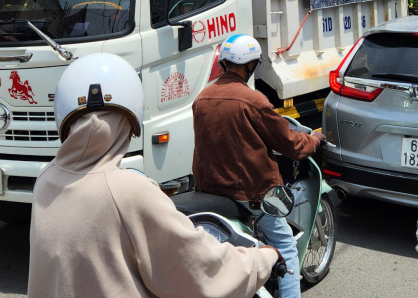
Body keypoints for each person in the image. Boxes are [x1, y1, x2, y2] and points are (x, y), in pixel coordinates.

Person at [29, 53, 281, 298]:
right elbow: (197, 268)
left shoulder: (45, 180)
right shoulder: (128, 190)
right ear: (129, 121)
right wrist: (262, 259)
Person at [192, 34, 324, 298]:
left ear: (225, 62)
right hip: (251, 195)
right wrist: (313, 140)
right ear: (250, 65)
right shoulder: (254, 101)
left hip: (209, 191)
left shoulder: (202, 98)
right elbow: (290, 144)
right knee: (285, 246)